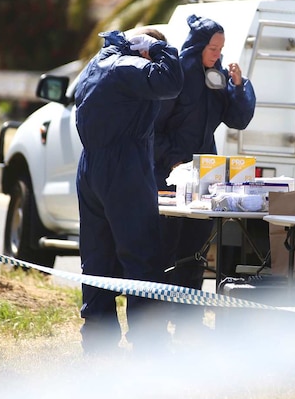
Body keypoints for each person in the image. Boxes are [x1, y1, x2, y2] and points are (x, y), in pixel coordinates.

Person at [73, 27, 183, 354]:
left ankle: (97, 338)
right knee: (142, 254)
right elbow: (171, 82)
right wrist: (162, 50)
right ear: (144, 50)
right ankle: (149, 342)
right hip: (124, 168)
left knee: (97, 257)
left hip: (90, 167)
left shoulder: (97, 63)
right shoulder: (128, 66)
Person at [153, 15, 256, 333]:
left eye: (221, 48)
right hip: (169, 174)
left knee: (196, 248)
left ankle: (189, 319)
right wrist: (172, 162)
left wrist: (239, 87)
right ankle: (157, 318)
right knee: (166, 248)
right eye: (213, 47)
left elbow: (237, 119)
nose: (217, 53)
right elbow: (154, 128)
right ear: (198, 45)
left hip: (203, 173)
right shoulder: (177, 73)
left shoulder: (217, 75)